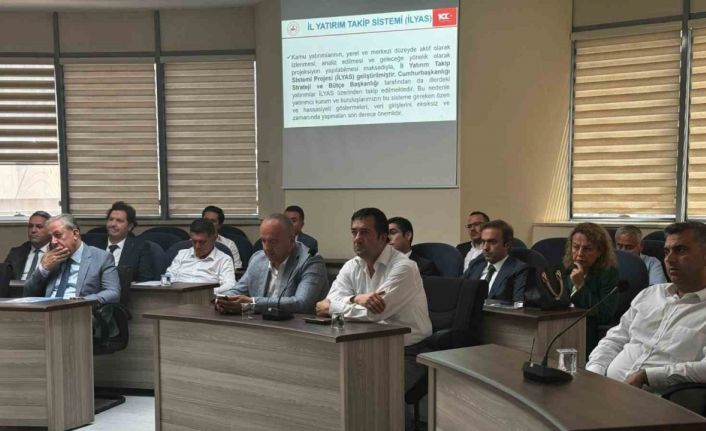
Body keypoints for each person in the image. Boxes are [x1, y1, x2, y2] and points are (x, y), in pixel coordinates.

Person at [314, 208, 431, 431]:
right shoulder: (352, 265)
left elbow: (373, 314)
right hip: (366, 346)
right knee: (334, 381)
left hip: (409, 350)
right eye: (354, 232)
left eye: (364, 232)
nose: (357, 238)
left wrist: (334, 307)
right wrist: (355, 298)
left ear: (382, 236)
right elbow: (328, 301)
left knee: (378, 390)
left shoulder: (405, 267)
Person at [586, 221, 706, 390]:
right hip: (607, 390)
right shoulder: (650, 294)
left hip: (656, 400)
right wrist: (595, 372)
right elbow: (615, 339)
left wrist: (648, 377)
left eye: (680, 250)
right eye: (666, 252)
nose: (669, 259)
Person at [215, 214, 327, 314]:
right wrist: (223, 300)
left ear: (291, 240)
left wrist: (252, 303)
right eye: (263, 241)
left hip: (296, 327)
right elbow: (238, 290)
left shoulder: (310, 261)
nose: (267, 248)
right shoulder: (258, 258)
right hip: (260, 324)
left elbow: (302, 303)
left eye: (273, 241)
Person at [23, 214, 120, 304]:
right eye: (50, 237)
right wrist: (44, 269)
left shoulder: (101, 257)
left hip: (80, 311)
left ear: (75, 234)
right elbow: (28, 292)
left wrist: (84, 301)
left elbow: (113, 292)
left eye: (58, 235)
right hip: (48, 310)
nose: (53, 242)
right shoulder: (50, 257)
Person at [564, 222, 619, 355]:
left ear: (600, 251)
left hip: (588, 334)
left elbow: (605, 315)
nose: (580, 253)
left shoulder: (608, 273)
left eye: (587, 249)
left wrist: (580, 286)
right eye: (576, 247)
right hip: (564, 326)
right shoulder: (567, 269)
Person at [165, 218, 236, 293]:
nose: (197, 246)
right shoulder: (182, 254)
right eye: (194, 241)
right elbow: (168, 278)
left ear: (214, 238)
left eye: (202, 242)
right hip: (178, 296)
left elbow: (230, 285)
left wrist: (205, 292)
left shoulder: (224, 259)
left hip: (206, 298)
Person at [463, 220, 527, 302]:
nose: (485, 248)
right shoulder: (476, 264)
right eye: (483, 242)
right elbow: (459, 292)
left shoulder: (519, 269)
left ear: (507, 245)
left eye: (492, 242)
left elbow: (518, 304)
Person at [95, 201, 155, 281]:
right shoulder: (94, 244)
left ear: (129, 226)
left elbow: (145, 279)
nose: (113, 224)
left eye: (119, 221)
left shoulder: (140, 248)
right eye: (111, 219)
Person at [4, 210, 52, 280]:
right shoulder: (16, 253)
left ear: (50, 231)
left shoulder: (57, 252)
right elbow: (3, 277)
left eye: (39, 227)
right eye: (30, 226)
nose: (33, 230)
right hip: (17, 286)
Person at [202, 205, 242, 269]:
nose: (208, 224)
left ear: (219, 225)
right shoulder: (191, 243)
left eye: (212, 221)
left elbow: (236, 267)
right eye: (205, 220)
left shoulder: (229, 244)